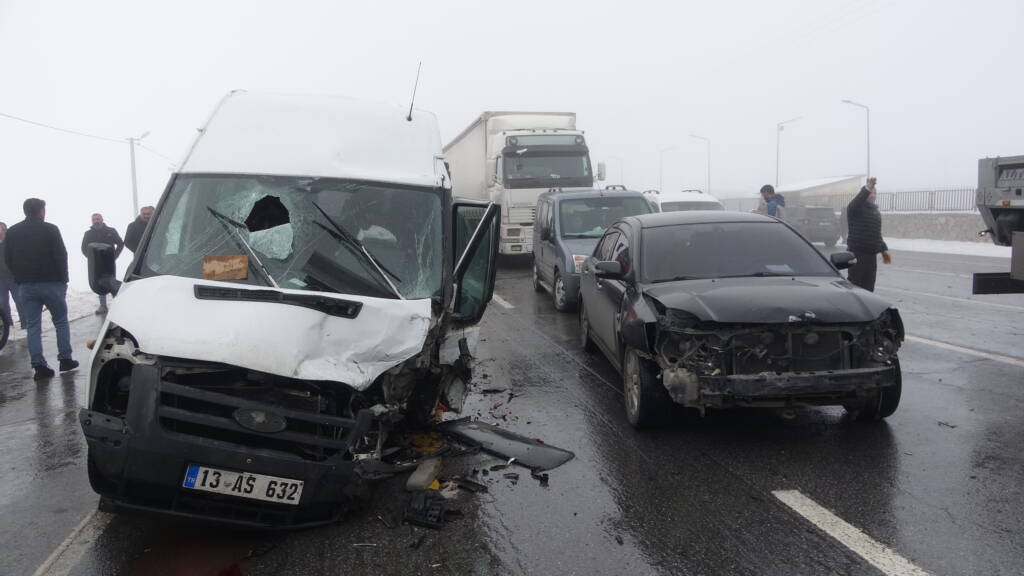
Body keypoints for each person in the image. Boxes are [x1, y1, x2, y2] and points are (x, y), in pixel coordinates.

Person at [3, 198, 78, 380]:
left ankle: (39, 365)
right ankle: (65, 359)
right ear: (41, 211)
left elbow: (7, 258)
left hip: (26, 286)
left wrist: (19, 278)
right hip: (51, 283)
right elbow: (61, 255)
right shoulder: (50, 229)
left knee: (33, 326)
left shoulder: (12, 231)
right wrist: (64, 280)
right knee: (60, 321)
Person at [845, 177, 892, 291]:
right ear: (864, 193)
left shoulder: (875, 212)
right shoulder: (855, 209)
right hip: (857, 255)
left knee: (869, 288)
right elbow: (856, 201)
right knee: (856, 288)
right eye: (870, 192)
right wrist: (868, 187)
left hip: (871, 257)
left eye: (875, 193)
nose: (873, 195)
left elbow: (876, 234)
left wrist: (884, 250)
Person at [81, 213, 124, 314]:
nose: (96, 221)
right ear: (92, 221)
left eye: (98, 219)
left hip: (109, 262)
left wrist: (115, 255)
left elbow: (120, 244)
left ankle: (118, 303)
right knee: (99, 283)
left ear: (102, 219)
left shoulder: (111, 231)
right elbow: (83, 248)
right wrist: (91, 258)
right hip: (96, 264)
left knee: (111, 281)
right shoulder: (88, 233)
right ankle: (103, 306)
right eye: (94, 219)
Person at [0, 221, 18, 330]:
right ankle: (8, 324)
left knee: (19, 300)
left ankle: (25, 322)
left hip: (13, 277)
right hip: (1, 279)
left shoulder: (11, 243)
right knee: (3, 302)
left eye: (2, 229)